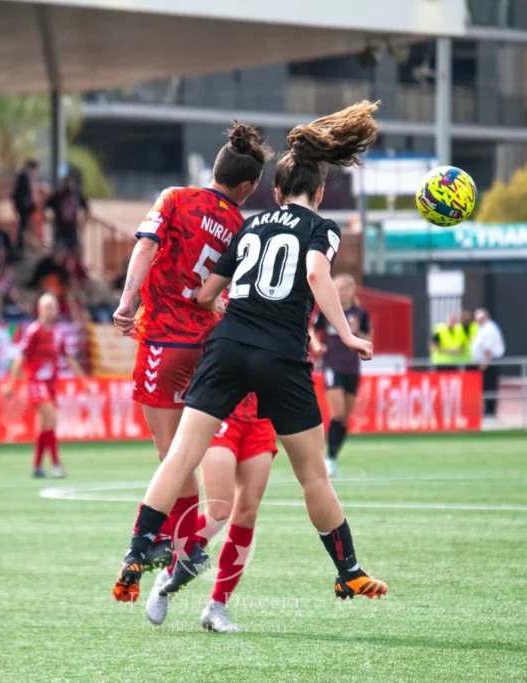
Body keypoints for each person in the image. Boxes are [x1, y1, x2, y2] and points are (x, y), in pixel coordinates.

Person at [112, 101, 388, 605]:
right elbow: (315, 275)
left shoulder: (249, 227)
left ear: (276, 192)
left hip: (227, 344)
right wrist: (346, 334)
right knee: (312, 474)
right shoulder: (322, 229)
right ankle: (347, 569)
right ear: (319, 193)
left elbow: (204, 294)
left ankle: (136, 549)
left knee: (180, 455)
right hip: (282, 355)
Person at [111, 122, 271, 577]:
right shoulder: (241, 227)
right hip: (208, 346)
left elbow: (145, 249)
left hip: (166, 341)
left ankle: (173, 542)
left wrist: (127, 303)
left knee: (171, 454)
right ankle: (185, 544)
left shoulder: (176, 198)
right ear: (245, 187)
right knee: (184, 450)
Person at [145, 393, 277, 632]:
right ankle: (169, 575)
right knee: (218, 511)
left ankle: (216, 607)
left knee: (247, 515)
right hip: (219, 411)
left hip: (260, 417)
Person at [4, 293, 86, 478]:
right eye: (48, 307)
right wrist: (11, 384)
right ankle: (56, 464)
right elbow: (21, 357)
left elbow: (69, 358)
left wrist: (84, 380)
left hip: (50, 383)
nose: (52, 310)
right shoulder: (34, 331)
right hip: (36, 381)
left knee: (44, 425)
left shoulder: (58, 333)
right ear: (40, 309)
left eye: (54, 306)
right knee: (52, 418)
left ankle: (37, 466)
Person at [309, 273, 371, 477]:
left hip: (352, 368)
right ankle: (327, 459)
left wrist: (356, 333)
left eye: (346, 288)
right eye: (339, 287)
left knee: (344, 419)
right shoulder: (326, 312)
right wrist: (318, 346)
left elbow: (368, 338)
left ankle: (333, 457)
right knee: (337, 413)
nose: (342, 291)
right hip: (332, 365)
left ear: (352, 290)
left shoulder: (360, 314)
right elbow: (311, 330)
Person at [470, 308, 505, 418]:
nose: (476, 320)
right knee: (485, 388)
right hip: (485, 362)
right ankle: (487, 410)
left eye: (479, 318)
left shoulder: (489, 329)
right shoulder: (483, 328)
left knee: (489, 387)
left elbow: (488, 349)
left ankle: (490, 412)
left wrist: (484, 364)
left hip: (488, 363)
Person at [44, 175, 89, 253]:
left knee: (74, 253)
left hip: (72, 230)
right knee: (58, 254)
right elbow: (46, 206)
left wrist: (83, 223)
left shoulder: (76, 194)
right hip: (60, 229)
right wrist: (49, 220)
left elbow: (86, 208)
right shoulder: (58, 195)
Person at [12, 160, 39, 252]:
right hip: (23, 207)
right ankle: (21, 245)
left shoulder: (24, 176)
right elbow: (22, 193)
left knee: (24, 225)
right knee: (23, 226)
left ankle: (23, 245)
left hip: (24, 206)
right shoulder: (23, 177)